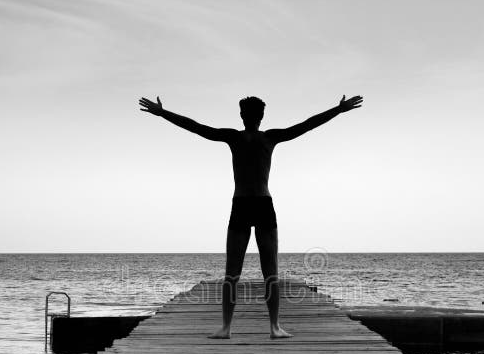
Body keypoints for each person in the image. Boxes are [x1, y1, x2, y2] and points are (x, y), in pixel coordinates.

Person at [139, 94, 363, 338]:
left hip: (246, 204)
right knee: (266, 273)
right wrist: (337, 110)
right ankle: (270, 327)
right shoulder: (266, 137)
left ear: (242, 115)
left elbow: (198, 128)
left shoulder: (238, 137)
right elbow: (306, 125)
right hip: (257, 205)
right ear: (260, 116)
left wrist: (163, 113)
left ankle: (232, 327)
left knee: (239, 273)